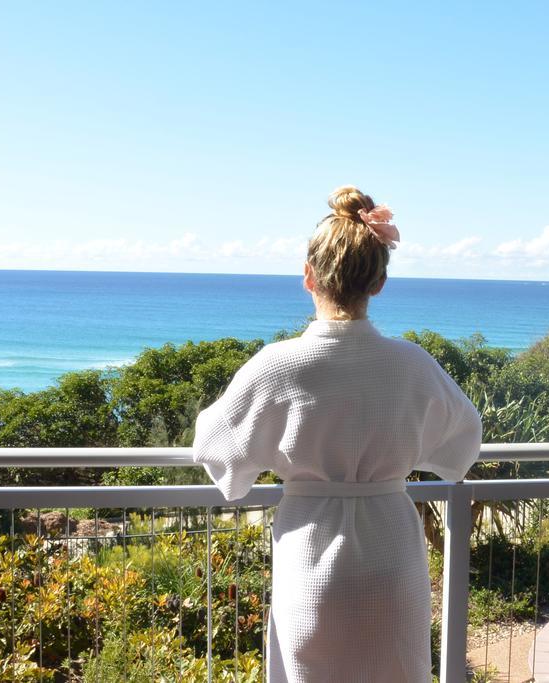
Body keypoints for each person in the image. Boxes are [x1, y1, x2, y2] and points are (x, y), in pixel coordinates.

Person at [193, 186, 482, 683]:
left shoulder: (278, 365)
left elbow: (215, 443)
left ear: (309, 277)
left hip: (309, 556)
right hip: (392, 554)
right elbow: (464, 440)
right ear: (379, 283)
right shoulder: (411, 364)